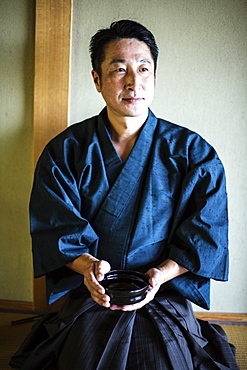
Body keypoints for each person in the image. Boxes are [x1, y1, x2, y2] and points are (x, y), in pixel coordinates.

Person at [10, 20, 239, 370]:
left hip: (162, 289)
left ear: (155, 75)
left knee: (165, 360)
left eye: (143, 69)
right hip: (93, 288)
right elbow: (55, 230)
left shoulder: (194, 152)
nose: (133, 82)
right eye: (119, 69)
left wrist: (160, 275)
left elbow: (206, 234)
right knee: (84, 358)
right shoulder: (66, 151)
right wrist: (88, 268)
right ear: (97, 79)